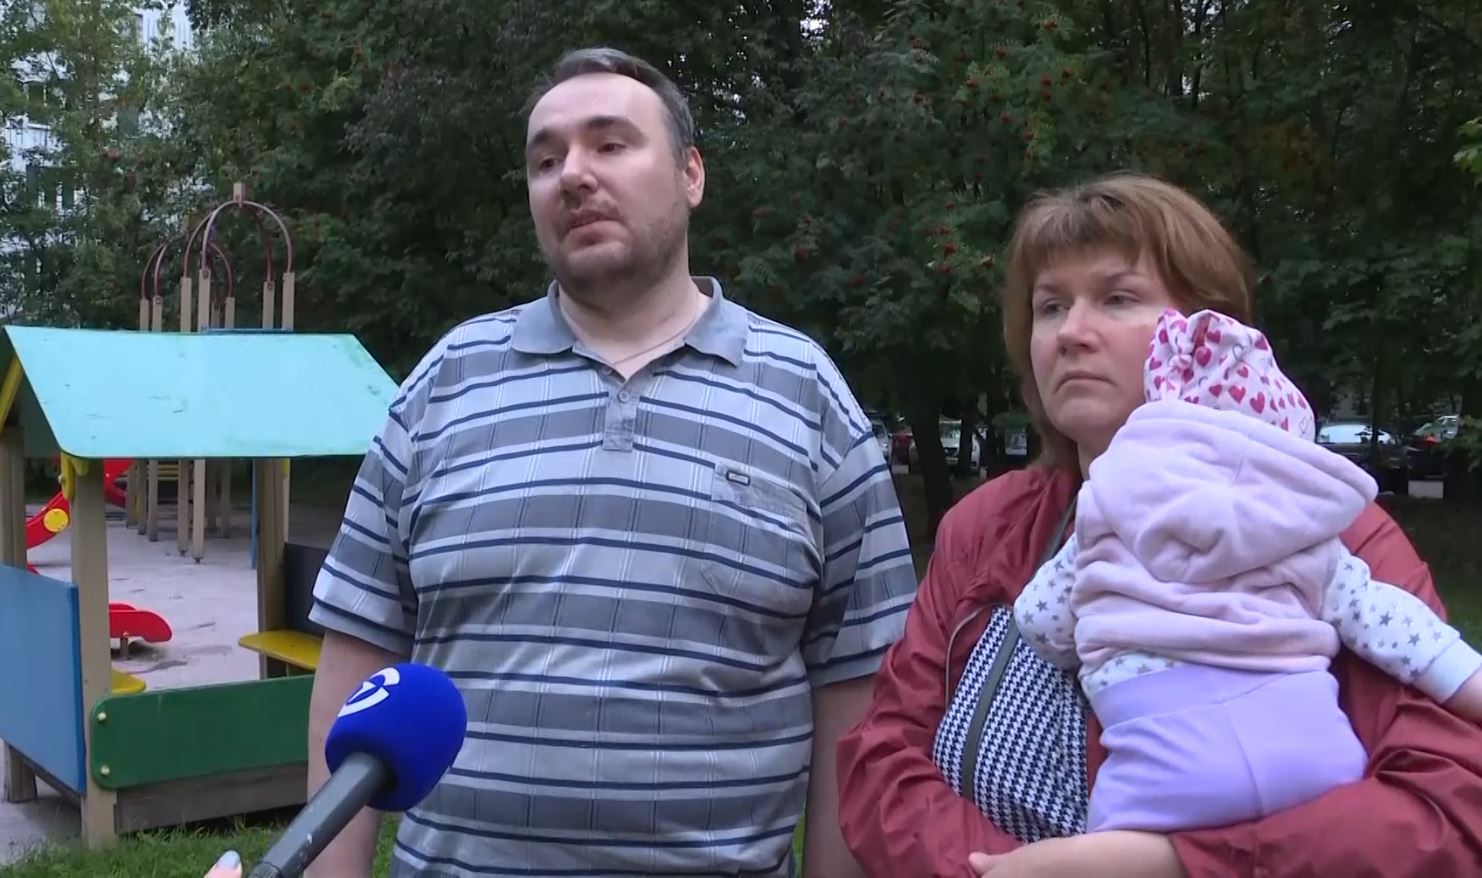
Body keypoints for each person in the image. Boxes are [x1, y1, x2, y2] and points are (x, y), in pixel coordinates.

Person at [292, 46, 917, 877]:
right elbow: (357, 659)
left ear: (691, 174)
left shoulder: (809, 398)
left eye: (610, 144)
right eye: (545, 160)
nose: (573, 175)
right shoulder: (445, 384)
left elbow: (859, 694)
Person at [835, 172, 1482, 877]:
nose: (1071, 333)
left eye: (1117, 298)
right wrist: (993, 870)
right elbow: (884, 758)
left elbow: (1445, 809)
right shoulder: (988, 527)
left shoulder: (1320, 526)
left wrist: (1168, 864)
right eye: (1051, 307)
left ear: (1209, 338)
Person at [1013, 304, 1482, 835]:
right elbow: (1388, 621)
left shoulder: (1106, 512)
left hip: (1155, 758)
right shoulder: (1301, 531)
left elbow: (1040, 623)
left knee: (1112, 853)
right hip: (1308, 747)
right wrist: (1467, 679)